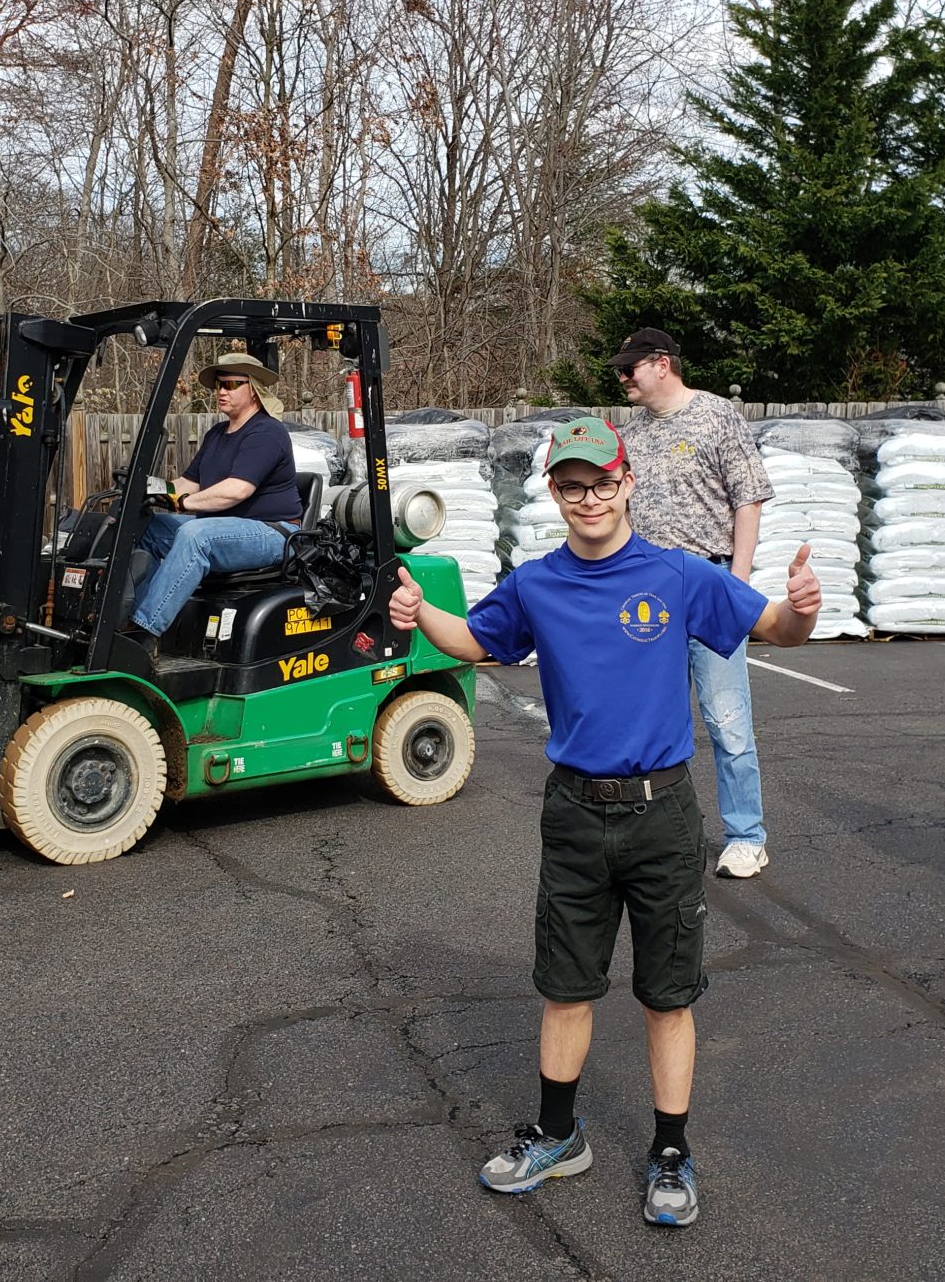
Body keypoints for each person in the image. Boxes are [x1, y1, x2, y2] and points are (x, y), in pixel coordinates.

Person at [390, 415, 821, 1228]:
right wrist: (418, 615)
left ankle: (670, 1150)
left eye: (602, 482)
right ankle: (558, 1136)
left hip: (662, 815)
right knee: (565, 988)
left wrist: (800, 608)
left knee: (667, 997)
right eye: (571, 485)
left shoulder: (678, 574)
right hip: (577, 814)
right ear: (555, 493)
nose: (589, 498)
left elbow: (775, 630)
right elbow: (472, 643)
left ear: (628, 483)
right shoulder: (537, 583)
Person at [613, 326, 778, 880]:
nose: (621, 378)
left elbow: (747, 497)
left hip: (707, 583)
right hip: (648, 598)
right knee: (651, 718)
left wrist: (736, 582)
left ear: (662, 364)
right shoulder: (630, 436)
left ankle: (745, 836)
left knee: (727, 720)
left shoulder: (716, 416)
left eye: (629, 367)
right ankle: (656, 830)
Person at [126, 351, 303, 647]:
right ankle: (135, 613)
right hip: (230, 527)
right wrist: (153, 488)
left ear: (255, 390)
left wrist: (182, 503)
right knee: (150, 528)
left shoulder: (266, 432)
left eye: (232, 384)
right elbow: (188, 483)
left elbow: (237, 490)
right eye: (219, 385)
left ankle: (143, 632)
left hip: (274, 532)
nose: (221, 391)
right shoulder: (217, 434)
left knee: (196, 535)